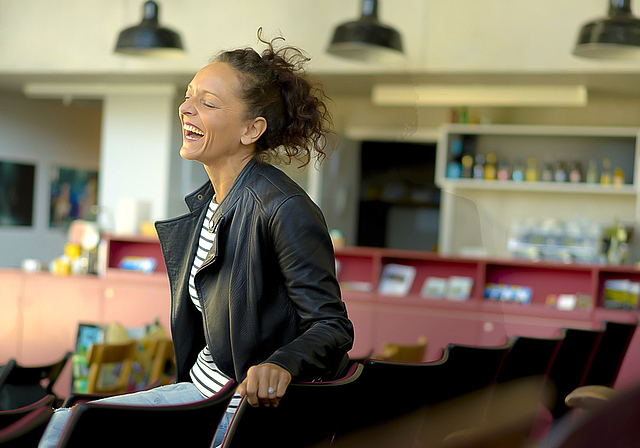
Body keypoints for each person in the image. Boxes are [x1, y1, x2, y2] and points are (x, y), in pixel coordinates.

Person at [39, 29, 354, 448]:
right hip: (199, 394)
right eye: (189, 95)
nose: (186, 109)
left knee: (68, 430)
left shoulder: (282, 207)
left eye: (208, 103)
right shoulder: (210, 203)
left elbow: (331, 325)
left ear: (251, 129)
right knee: (63, 423)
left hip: (235, 409)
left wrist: (281, 364)